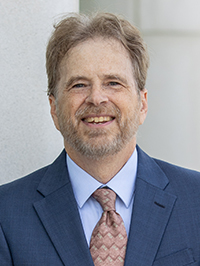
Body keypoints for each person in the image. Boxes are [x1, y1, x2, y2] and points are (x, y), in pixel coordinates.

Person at [0, 12, 200, 266]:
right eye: (79, 85)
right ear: (54, 109)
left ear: (142, 104)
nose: (97, 98)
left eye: (113, 82)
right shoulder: (6, 215)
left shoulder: (196, 200)